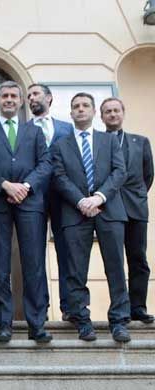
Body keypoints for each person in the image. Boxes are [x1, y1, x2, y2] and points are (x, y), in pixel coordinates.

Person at [0, 81, 52, 343]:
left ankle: (37, 323)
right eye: (4, 96)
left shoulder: (35, 132)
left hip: (30, 203)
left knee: (34, 264)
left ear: (21, 102)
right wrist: (5, 185)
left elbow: (45, 163)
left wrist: (26, 186)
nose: (9, 100)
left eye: (13, 96)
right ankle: (3, 322)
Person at [52, 92, 131, 342]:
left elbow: (120, 172)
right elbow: (59, 177)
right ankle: (82, 321)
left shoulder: (109, 141)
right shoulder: (60, 145)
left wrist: (98, 197)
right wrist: (81, 200)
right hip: (75, 213)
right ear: (71, 113)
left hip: (109, 211)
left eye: (85, 105)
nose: (81, 109)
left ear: (94, 111)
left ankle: (119, 321)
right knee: (76, 270)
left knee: (115, 267)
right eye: (76, 106)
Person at [101, 97, 154, 324]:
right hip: (109, 207)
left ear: (123, 113)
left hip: (135, 208)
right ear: (101, 116)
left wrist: (136, 196)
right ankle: (120, 309)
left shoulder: (141, 142)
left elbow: (148, 175)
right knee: (114, 261)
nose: (112, 115)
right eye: (107, 112)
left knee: (138, 259)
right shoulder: (98, 142)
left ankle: (138, 307)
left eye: (116, 111)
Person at [26, 83, 75, 321]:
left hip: (63, 198)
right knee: (35, 254)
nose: (31, 98)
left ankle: (69, 306)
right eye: (29, 95)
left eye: (35, 94)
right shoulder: (24, 130)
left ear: (49, 97)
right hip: (32, 197)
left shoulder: (67, 128)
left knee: (66, 252)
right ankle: (40, 308)